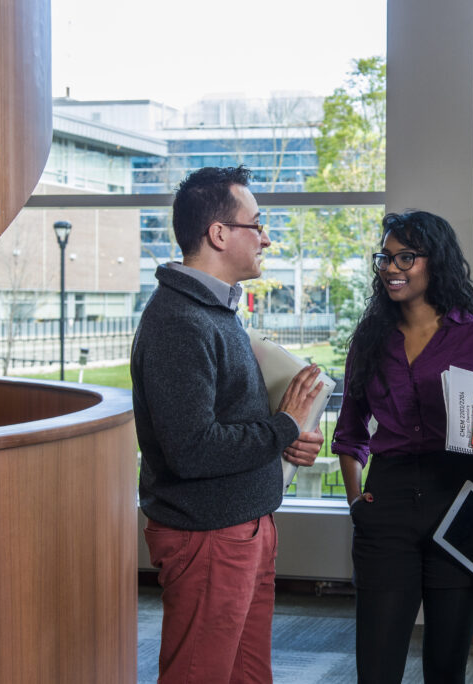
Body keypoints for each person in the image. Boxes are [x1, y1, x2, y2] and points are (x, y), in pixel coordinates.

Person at [131, 166, 326, 684]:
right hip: (209, 536)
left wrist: (287, 437)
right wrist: (283, 426)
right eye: (256, 225)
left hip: (243, 528)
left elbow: (229, 419)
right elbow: (193, 450)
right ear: (219, 234)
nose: (266, 237)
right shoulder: (180, 322)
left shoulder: (215, 310)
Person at [331, 210, 473, 684]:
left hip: (460, 500)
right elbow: (351, 431)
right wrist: (357, 500)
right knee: (376, 670)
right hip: (388, 503)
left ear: (434, 262)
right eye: (386, 257)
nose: (392, 268)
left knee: (445, 669)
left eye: (406, 258)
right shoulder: (370, 340)